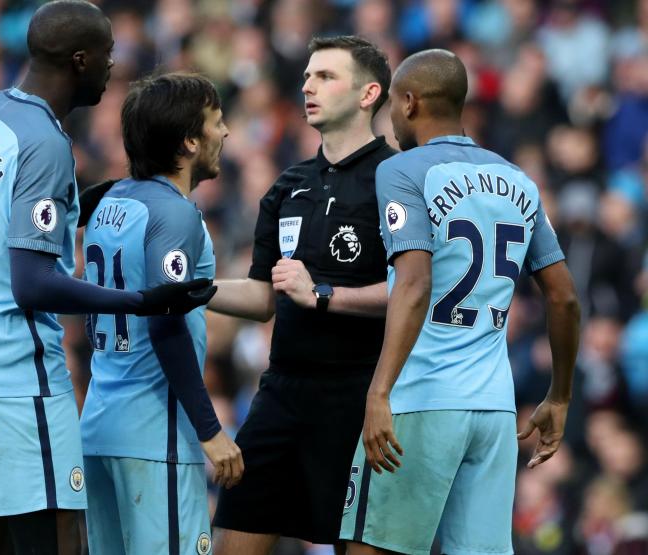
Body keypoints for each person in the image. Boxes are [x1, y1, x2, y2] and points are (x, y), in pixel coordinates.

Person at [0, 2, 215, 553]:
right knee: (63, 533)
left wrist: (78, 205)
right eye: (109, 55)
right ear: (80, 59)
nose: (114, 66)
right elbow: (32, 282)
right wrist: (138, 300)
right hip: (16, 367)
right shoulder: (45, 142)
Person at [340, 49, 579, 555]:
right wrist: (559, 396)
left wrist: (379, 392)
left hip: (421, 399)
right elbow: (564, 298)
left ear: (408, 103)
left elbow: (414, 284)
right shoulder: (519, 181)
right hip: (493, 409)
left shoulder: (402, 171)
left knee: (372, 547)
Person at [207, 36, 394, 554]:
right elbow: (263, 296)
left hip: (360, 397)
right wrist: (191, 290)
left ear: (368, 94)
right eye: (308, 75)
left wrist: (325, 294)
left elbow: (415, 291)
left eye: (327, 76)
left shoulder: (396, 179)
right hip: (282, 393)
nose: (308, 85)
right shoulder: (289, 184)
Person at [79, 73, 244, 555]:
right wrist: (210, 431)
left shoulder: (107, 200)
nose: (227, 132)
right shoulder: (174, 214)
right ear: (190, 141)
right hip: (155, 437)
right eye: (217, 122)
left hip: (100, 426)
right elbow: (167, 323)